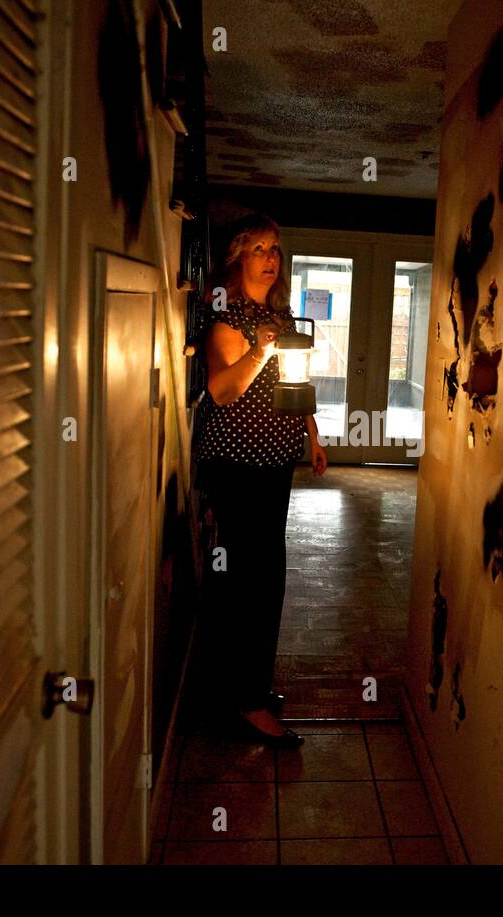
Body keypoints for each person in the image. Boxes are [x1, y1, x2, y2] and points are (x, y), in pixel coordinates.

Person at [194, 213, 328, 748]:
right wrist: (260, 349)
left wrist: (312, 434)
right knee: (253, 581)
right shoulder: (229, 318)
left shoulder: (279, 314)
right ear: (238, 258)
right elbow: (224, 392)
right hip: (238, 469)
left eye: (275, 248)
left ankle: (247, 688)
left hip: (273, 465)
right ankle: (246, 703)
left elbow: (295, 384)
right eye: (258, 249)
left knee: (265, 576)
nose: (270, 258)